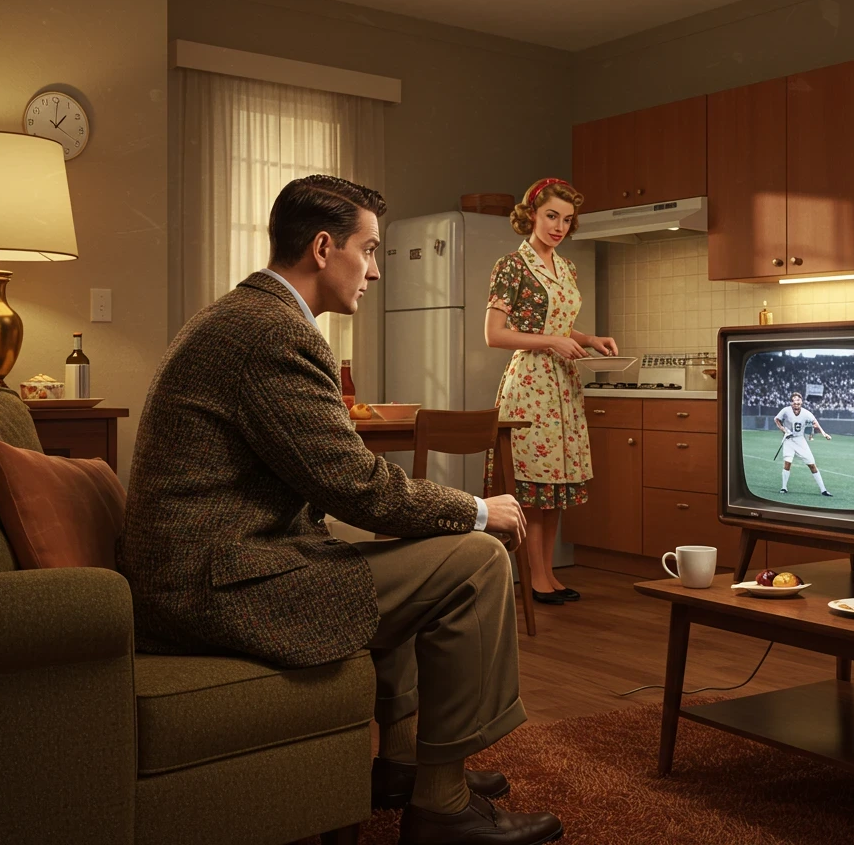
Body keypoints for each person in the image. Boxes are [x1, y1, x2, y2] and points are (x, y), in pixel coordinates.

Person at [117, 174, 562, 845]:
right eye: (371, 249)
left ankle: (403, 765)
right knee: (472, 561)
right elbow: (358, 487)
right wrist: (476, 508)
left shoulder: (245, 315)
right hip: (216, 588)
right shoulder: (273, 334)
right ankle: (441, 807)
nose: (377, 271)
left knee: (421, 554)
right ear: (325, 248)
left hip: (211, 569)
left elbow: (336, 486)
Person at [483, 178, 617, 605]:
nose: (559, 226)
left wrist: (588, 338)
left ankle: (549, 575)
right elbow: (495, 334)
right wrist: (553, 342)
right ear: (532, 216)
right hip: (531, 384)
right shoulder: (512, 266)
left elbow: (556, 325)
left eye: (566, 219)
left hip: (564, 385)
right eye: (551, 216)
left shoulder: (567, 267)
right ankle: (534, 578)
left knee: (554, 486)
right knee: (533, 486)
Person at [774, 392, 833, 496]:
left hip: (800, 440)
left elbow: (815, 423)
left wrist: (824, 434)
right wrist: (783, 429)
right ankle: (784, 487)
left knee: (812, 464)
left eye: (798, 401)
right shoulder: (786, 410)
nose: (796, 403)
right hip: (788, 440)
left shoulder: (806, 413)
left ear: (801, 402)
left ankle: (823, 490)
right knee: (787, 463)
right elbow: (776, 419)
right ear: (791, 403)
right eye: (794, 401)